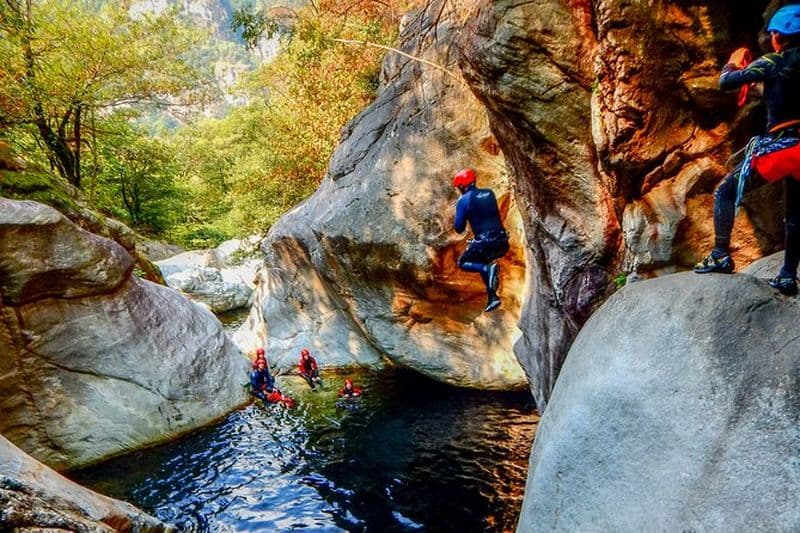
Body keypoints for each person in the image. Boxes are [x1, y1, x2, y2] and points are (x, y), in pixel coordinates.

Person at [694, 5, 800, 295]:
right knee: (794, 213)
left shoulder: (772, 62)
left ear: (779, 35)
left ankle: (720, 254)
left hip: (781, 148)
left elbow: (726, 82)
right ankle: (789, 274)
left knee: (726, 191)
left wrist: (733, 62)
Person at [453, 168, 510, 311]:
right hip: (502, 242)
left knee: (463, 262)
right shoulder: (489, 193)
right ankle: (492, 297)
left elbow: (458, 228)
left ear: (461, 186)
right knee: (482, 260)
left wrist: (461, 209)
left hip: (486, 243)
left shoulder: (464, 200)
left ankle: (487, 269)